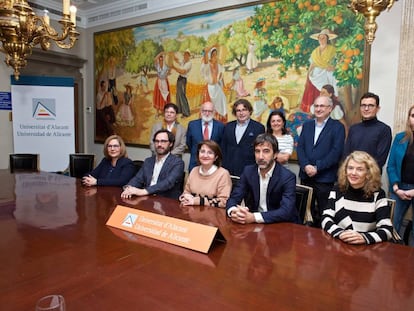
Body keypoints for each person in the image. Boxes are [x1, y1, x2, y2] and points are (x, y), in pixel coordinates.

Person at [322, 151, 393, 244]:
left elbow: (387, 229)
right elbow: (326, 218)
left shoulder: (378, 194)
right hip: (340, 244)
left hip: (366, 250)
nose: (353, 173)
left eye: (359, 169)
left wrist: (364, 238)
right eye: (350, 168)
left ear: (368, 173)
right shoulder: (337, 189)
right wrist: (340, 233)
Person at [226, 133, 299, 224]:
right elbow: (234, 197)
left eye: (266, 151)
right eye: (257, 151)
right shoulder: (248, 171)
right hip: (254, 226)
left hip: (281, 225)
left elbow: (286, 211)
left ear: (275, 154)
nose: (260, 157)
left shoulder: (287, 177)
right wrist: (234, 211)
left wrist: (254, 217)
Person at [296, 95, 345, 227]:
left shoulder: (337, 127)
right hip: (306, 176)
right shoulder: (307, 125)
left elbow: (336, 152)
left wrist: (317, 167)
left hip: (325, 178)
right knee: (305, 213)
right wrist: (306, 165)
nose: (318, 109)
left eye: (322, 106)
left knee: (325, 213)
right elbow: (300, 148)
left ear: (330, 108)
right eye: (316, 106)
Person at [121, 129, 184, 199]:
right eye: (157, 141)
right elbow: (138, 179)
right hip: (147, 199)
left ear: (171, 144)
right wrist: (129, 188)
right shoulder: (148, 161)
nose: (159, 144)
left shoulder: (178, 162)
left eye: (163, 141)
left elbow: (168, 183)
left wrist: (143, 191)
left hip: (166, 201)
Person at [344, 92, 392, 172]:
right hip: (352, 176)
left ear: (377, 108)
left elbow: (380, 160)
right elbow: (346, 154)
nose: (366, 109)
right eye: (363, 105)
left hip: (371, 178)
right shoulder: (353, 128)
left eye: (370, 106)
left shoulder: (384, 129)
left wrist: (361, 171)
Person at [387, 105, 414, 238]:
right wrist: (396, 188)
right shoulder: (400, 137)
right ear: (409, 118)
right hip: (399, 189)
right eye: (413, 116)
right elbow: (391, 165)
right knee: (391, 227)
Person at [179, 140, 231, 208]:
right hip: (191, 212)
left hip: (213, 215)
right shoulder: (194, 170)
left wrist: (197, 201)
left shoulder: (223, 174)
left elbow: (224, 201)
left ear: (216, 157)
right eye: (202, 152)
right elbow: (186, 192)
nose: (205, 155)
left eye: (210, 153)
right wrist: (185, 197)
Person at [221, 99, 265, 176]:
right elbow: (223, 148)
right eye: (238, 110)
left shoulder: (258, 128)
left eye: (244, 110)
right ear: (235, 113)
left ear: (250, 111)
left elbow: (260, 150)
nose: (241, 113)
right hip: (228, 170)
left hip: (249, 171)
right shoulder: (228, 126)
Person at [300, 29, 338, 113]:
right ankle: (313, 113)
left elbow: (337, 63)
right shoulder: (315, 52)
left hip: (326, 75)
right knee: (313, 95)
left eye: (323, 38)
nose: (321, 40)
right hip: (315, 75)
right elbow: (312, 65)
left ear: (327, 39)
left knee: (325, 93)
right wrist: (308, 78)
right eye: (320, 38)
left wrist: (333, 68)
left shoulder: (332, 50)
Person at [186, 101, 224, 171]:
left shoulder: (220, 126)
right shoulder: (192, 125)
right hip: (195, 163)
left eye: (210, 111)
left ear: (214, 112)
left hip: (213, 164)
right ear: (200, 111)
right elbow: (189, 143)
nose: (207, 113)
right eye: (204, 111)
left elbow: (221, 145)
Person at [200, 46, 227, 122]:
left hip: (217, 88)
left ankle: (220, 122)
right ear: (210, 56)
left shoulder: (219, 65)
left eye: (216, 54)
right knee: (209, 107)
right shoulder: (207, 65)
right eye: (213, 55)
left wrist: (223, 84)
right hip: (209, 89)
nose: (215, 56)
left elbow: (221, 76)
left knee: (222, 103)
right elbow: (205, 59)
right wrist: (209, 49)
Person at [172, 49, 192, 118]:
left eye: (187, 55)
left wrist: (174, 67)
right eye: (184, 54)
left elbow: (183, 71)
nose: (185, 56)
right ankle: (180, 110)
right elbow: (177, 60)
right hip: (180, 78)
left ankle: (186, 113)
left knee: (182, 95)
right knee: (178, 95)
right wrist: (172, 54)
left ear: (189, 56)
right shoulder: (183, 61)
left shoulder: (189, 63)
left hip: (183, 79)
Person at [153, 52, 171, 117]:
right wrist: (160, 53)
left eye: (161, 57)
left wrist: (166, 74)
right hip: (159, 82)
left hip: (164, 81)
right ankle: (157, 112)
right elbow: (154, 59)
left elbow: (169, 69)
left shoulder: (165, 65)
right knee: (158, 96)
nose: (160, 59)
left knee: (165, 96)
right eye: (160, 58)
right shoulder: (157, 65)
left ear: (163, 59)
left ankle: (165, 111)